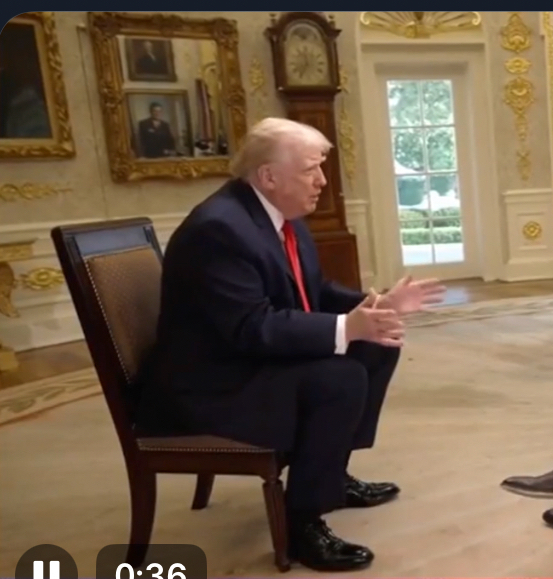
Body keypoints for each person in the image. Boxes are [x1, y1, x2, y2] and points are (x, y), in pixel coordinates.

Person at [135, 117, 446, 572]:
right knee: (339, 377)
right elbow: (251, 327)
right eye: (310, 169)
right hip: (209, 386)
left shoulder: (279, 214)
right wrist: (347, 328)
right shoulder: (218, 229)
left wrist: (376, 306)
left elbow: (313, 291)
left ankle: (329, 473)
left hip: (244, 360)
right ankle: (302, 524)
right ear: (269, 176)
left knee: (377, 343)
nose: (322, 181)